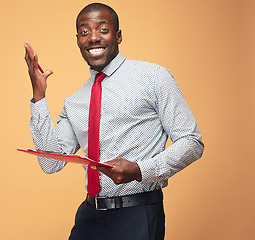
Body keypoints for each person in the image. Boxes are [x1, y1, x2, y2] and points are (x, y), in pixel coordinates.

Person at [24, 3, 204, 240]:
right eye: (85, 31)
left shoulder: (153, 77)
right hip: (89, 215)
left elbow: (192, 142)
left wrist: (140, 170)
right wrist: (39, 96)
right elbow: (51, 163)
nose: (93, 38)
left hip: (137, 213)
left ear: (118, 36)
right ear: (78, 39)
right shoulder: (75, 101)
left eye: (103, 29)